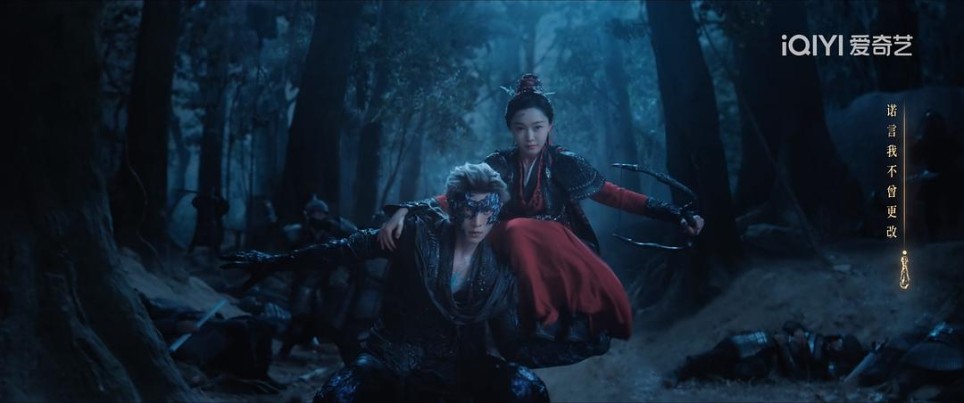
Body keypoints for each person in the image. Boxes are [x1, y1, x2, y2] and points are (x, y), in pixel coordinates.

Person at [222, 163, 608, 402]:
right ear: (453, 207)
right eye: (468, 208)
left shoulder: (500, 270)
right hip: (392, 361)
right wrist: (275, 262)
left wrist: (583, 346)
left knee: (528, 389)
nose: (477, 221)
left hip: (462, 369)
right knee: (337, 395)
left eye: (487, 210)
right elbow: (346, 249)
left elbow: (514, 346)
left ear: (497, 213)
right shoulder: (416, 236)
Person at [379, 74, 704, 341]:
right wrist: (408, 209)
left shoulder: (564, 163)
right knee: (506, 232)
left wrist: (674, 213)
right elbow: (458, 195)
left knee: (522, 232)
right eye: (520, 128)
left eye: (537, 127)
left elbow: (613, 195)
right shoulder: (500, 164)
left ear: (550, 126)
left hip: (554, 243)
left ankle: (543, 318)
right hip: (509, 239)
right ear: (511, 129)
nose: (530, 137)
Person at [280, 195, 365, 362]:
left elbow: (352, 236)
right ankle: (285, 351)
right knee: (299, 317)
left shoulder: (329, 235)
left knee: (324, 319)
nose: (319, 217)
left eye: (322, 214)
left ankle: (313, 344)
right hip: (304, 282)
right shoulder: (299, 235)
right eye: (316, 213)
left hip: (324, 283)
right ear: (308, 215)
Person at [139, 293, 282, 393]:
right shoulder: (137, 313)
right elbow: (141, 328)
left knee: (260, 325)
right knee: (238, 329)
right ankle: (253, 377)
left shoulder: (147, 302)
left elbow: (170, 309)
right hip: (178, 339)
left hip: (193, 324)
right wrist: (175, 326)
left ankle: (263, 375)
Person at [664, 321, 864, 387]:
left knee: (738, 370)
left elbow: (798, 375)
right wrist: (796, 330)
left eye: (841, 346)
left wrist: (784, 348)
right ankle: (683, 370)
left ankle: (701, 373)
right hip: (766, 341)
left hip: (771, 363)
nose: (836, 343)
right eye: (839, 341)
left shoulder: (823, 367)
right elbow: (789, 324)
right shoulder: (820, 338)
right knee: (729, 349)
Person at [910, 110, 964, 241]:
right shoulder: (932, 140)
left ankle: (946, 230)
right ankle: (939, 232)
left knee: (946, 205)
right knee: (934, 206)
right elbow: (915, 158)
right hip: (937, 176)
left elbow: (915, 158)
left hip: (945, 175)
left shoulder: (942, 140)